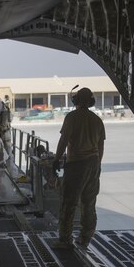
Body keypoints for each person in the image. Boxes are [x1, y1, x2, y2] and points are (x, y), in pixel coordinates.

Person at [51, 87, 105, 249]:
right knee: (89, 203)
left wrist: (56, 159)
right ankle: (85, 238)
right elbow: (100, 146)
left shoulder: (72, 117)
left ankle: (65, 240)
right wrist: (98, 165)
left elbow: (64, 140)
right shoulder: (97, 120)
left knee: (69, 202)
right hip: (94, 163)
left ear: (75, 101)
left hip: (76, 164)